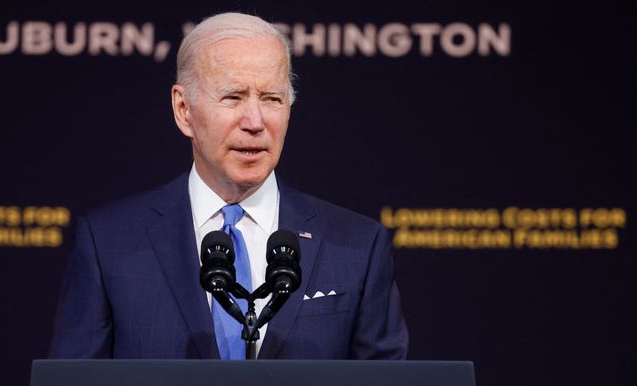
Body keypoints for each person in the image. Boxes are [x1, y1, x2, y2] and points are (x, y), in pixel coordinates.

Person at [49, 12, 408, 360]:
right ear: (183, 109)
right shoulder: (109, 243)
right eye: (233, 97)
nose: (255, 122)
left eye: (272, 99)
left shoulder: (358, 247)